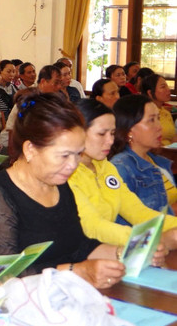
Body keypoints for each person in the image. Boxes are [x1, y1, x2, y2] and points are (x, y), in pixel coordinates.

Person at [0, 92, 128, 289]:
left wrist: (125, 253)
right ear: (30, 150)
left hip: (61, 293)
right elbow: (6, 278)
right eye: (64, 156)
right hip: (8, 306)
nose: (73, 165)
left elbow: (80, 246)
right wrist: (77, 271)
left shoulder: (61, 185)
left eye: (78, 154)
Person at [68, 99, 177, 249]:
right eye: (101, 134)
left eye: (112, 133)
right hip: (83, 255)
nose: (110, 141)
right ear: (76, 133)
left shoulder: (106, 168)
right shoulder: (67, 174)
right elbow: (93, 226)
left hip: (110, 251)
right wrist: (147, 240)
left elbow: (138, 212)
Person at [110, 94, 176, 214]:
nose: (159, 127)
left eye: (158, 119)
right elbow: (131, 220)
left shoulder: (157, 160)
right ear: (129, 130)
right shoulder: (121, 167)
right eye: (151, 120)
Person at [141, 73, 176, 146]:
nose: (168, 90)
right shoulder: (144, 114)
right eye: (163, 87)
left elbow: (173, 137)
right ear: (150, 93)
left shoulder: (166, 112)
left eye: (167, 86)